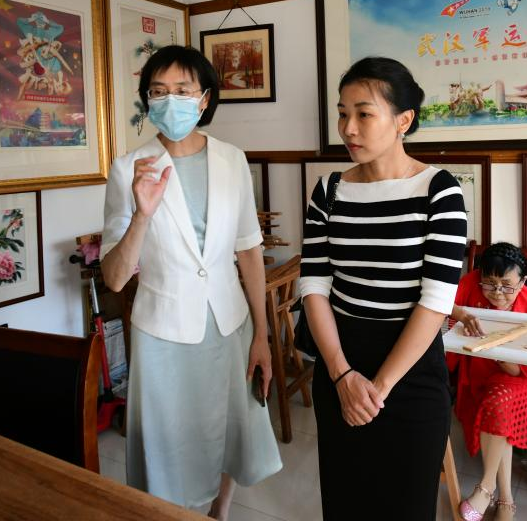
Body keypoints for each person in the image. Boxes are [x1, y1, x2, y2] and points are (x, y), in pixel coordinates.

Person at [100, 45, 281, 520]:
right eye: (159, 92)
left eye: (182, 90)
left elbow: (248, 250)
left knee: (230, 428)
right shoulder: (129, 168)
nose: (170, 101)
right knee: (169, 443)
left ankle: (220, 510)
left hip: (229, 323)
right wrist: (142, 214)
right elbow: (114, 278)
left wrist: (261, 335)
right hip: (163, 332)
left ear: (203, 99)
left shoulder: (232, 160)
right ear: (147, 100)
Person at [299, 56, 468, 520]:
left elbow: (435, 302)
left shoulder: (439, 191)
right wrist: (341, 376)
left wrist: (377, 387)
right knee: (345, 504)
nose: (348, 128)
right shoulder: (328, 190)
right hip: (340, 360)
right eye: (342, 113)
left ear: (403, 120)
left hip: (410, 371)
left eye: (364, 114)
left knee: (405, 508)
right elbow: (313, 286)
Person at [448, 242, 527, 521]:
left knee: (498, 402)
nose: (497, 292)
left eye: (507, 286)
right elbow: (444, 303)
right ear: (480, 276)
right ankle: (506, 500)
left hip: (523, 378)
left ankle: (486, 487)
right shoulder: (470, 283)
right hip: (481, 372)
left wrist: (507, 362)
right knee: (498, 410)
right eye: (489, 283)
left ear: (522, 282)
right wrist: (462, 314)